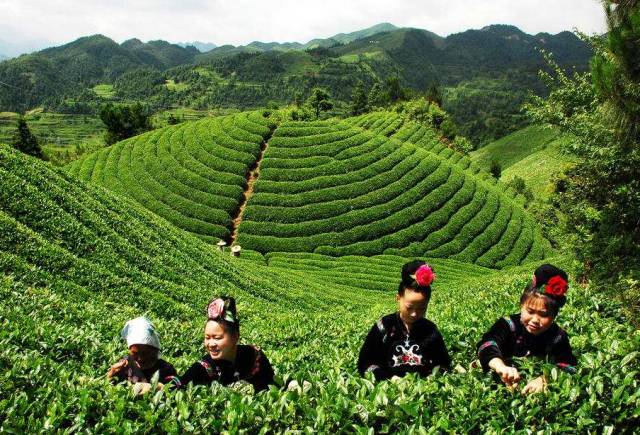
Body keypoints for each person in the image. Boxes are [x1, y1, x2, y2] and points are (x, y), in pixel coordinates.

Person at [477, 264, 577, 395]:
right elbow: (487, 344)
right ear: (521, 306)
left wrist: (544, 380)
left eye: (543, 314)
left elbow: (568, 365)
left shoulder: (558, 336)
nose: (535, 320)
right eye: (530, 311)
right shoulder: (507, 324)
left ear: (554, 316)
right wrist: (500, 367)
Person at [357, 260, 451, 381]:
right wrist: (387, 378)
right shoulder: (384, 326)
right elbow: (365, 363)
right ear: (398, 298)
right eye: (409, 307)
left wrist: (431, 379)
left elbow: (444, 364)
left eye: (422, 308)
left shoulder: (430, 330)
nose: (414, 314)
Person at [170, 296, 274, 392]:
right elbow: (179, 384)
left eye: (217, 338)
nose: (211, 344)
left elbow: (273, 381)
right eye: (207, 338)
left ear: (235, 336)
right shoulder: (204, 367)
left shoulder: (254, 355)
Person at [107, 316, 177, 391]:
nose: (140, 358)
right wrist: (111, 376)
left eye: (146, 353)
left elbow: (177, 387)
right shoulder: (125, 364)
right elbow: (112, 387)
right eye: (135, 353)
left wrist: (157, 387)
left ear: (155, 350)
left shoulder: (166, 369)